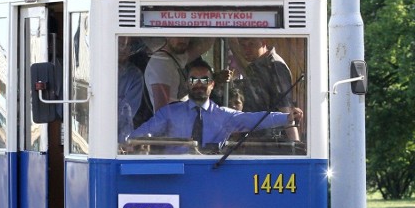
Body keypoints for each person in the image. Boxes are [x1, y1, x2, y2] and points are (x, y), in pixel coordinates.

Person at [127, 58, 302, 153]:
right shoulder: (169, 113)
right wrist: (127, 143)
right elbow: (143, 134)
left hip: (212, 173)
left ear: (212, 84)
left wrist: (287, 117)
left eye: (204, 80)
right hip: (175, 174)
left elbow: (255, 118)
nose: (199, 84)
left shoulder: (225, 116)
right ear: (187, 83)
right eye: (194, 80)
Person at [228, 38, 300, 141]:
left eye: (251, 44)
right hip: (254, 135)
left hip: (271, 140)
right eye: (243, 45)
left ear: (263, 43)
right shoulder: (254, 65)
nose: (246, 49)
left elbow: (285, 110)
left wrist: (294, 144)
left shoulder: (275, 66)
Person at [143, 37, 217, 111]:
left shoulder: (172, 59)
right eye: (178, 35)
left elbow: (204, 44)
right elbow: (161, 111)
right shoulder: (161, 63)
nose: (183, 40)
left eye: (186, 36)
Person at [117, 37, 145, 143]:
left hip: (121, 139)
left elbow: (126, 115)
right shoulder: (96, 70)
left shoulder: (134, 75)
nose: (124, 49)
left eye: (128, 45)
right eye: (120, 44)